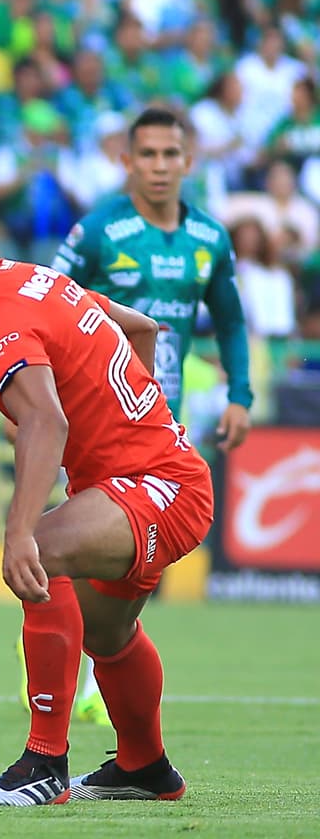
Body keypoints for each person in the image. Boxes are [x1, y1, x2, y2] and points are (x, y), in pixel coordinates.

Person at [0, 188, 209, 805]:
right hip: (154, 479)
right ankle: (145, 768)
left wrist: (18, 532)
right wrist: (128, 422)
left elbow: (45, 423)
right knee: (106, 637)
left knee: (40, 553)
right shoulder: (31, 280)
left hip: (156, 487)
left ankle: (44, 764)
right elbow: (138, 328)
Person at [49, 106, 252, 725]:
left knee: (143, 557)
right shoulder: (98, 233)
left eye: (171, 155)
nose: (160, 166)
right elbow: (44, 300)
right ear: (126, 160)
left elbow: (232, 319)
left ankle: (89, 664)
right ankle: (80, 668)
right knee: (80, 550)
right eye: (148, 155)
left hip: (161, 422)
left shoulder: (209, 239)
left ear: (189, 161)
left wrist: (240, 392)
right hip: (92, 425)